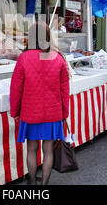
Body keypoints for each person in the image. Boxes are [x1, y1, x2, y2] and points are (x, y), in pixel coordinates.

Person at [10, 21, 70, 185]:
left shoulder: (24, 58)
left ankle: (32, 182)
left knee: (31, 149)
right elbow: (65, 90)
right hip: (53, 113)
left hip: (30, 113)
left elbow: (16, 88)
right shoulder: (58, 58)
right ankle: (44, 184)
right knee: (48, 150)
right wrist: (65, 113)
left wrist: (14, 112)